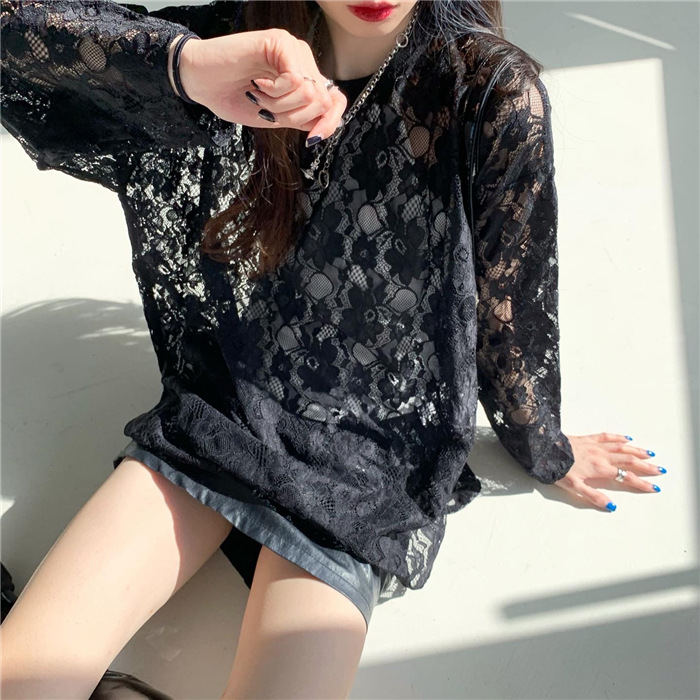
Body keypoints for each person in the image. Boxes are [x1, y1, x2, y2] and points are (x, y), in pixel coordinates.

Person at [0, 1, 664, 698]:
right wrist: (187, 68)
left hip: (369, 458)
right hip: (228, 405)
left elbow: (509, 301)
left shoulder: (488, 92)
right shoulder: (245, 38)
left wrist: (543, 446)